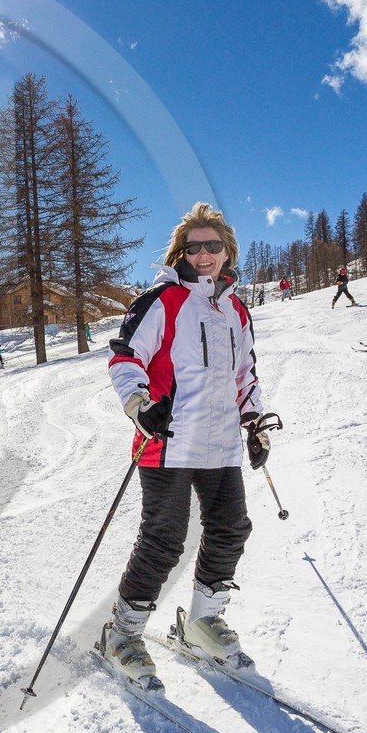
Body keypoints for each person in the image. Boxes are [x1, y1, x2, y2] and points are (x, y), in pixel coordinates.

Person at [102, 202, 273, 689]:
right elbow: (124, 359)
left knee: (231, 528)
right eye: (193, 247)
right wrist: (140, 405)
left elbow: (245, 376)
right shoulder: (164, 299)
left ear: (227, 252)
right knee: (164, 539)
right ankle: (123, 634)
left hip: (220, 445)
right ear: (181, 252)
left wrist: (254, 421)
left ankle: (201, 623)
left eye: (212, 246)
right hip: (168, 441)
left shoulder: (237, 309)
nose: (203, 255)